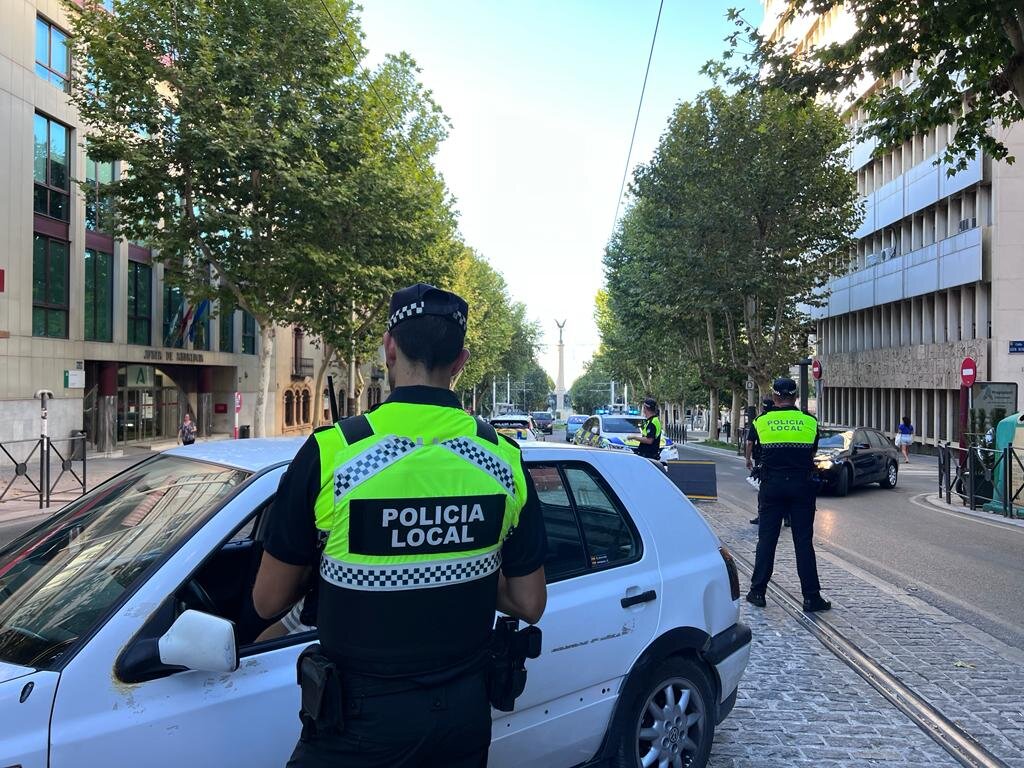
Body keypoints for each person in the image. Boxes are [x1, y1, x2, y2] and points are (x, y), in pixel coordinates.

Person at [251, 283, 548, 768]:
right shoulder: (503, 459)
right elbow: (529, 603)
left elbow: (267, 601)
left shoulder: (332, 455)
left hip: (356, 724)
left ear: (389, 347)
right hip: (464, 719)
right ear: (461, 362)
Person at [743, 378, 831, 613]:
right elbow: (812, 451)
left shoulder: (761, 421)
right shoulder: (809, 422)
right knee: (803, 542)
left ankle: (758, 592)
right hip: (802, 486)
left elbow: (750, 446)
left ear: (774, 396)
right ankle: (812, 597)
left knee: (767, 540)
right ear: (795, 397)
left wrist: (750, 460)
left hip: (772, 485)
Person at [747, 397, 775, 523]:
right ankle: (787, 518)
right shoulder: (778, 419)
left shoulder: (759, 420)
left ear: (762, 407)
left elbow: (749, 442)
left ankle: (762, 516)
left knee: (763, 487)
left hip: (762, 458)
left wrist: (747, 459)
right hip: (778, 455)